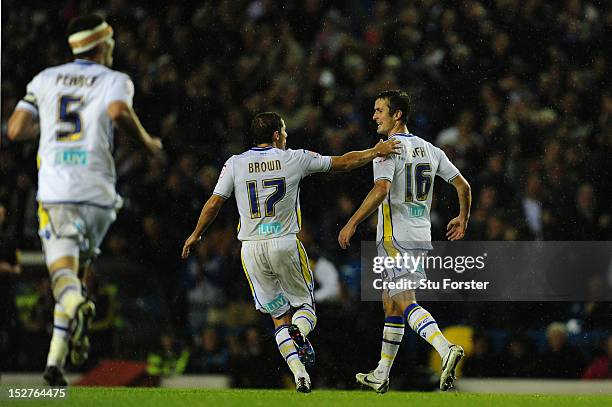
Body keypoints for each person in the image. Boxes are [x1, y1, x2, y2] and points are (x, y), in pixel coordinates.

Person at [182, 111, 400, 392]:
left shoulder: (235, 163)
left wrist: (196, 234)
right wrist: (376, 150)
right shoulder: (293, 158)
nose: (286, 136)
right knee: (305, 307)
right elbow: (343, 163)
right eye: (284, 132)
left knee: (277, 317)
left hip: (250, 248)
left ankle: (300, 375)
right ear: (276, 135)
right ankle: (302, 331)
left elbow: (214, 203)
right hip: (285, 242)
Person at [7, 14, 163, 386]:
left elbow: (15, 130)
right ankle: (55, 363)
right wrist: (146, 142)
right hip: (99, 195)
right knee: (77, 273)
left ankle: (78, 306)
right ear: (101, 44)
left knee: (63, 276)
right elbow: (116, 111)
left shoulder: (45, 79)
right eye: (110, 42)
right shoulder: (115, 80)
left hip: (59, 192)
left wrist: (48, 123)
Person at [338, 90, 472, 392]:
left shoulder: (387, 149)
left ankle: (445, 348)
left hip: (394, 237)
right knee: (391, 304)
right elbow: (463, 186)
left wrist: (352, 222)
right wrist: (462, 218)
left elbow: (382, 190)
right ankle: (381, 373)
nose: (374, 116)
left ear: (397, 114)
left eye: (380, 110)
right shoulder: (431, 150)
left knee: (405, 300)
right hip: (421, 234)